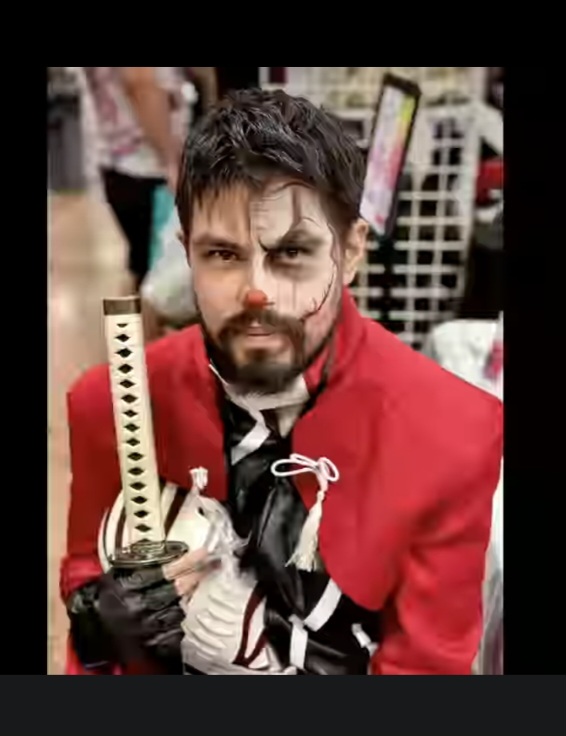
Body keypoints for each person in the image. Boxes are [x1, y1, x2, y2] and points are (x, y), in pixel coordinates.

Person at [60, 89, 503, 676]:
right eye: (223, 254)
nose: (256, 293)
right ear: (187, 253)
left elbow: (425, 667)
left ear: (350, 252)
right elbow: (86, 571)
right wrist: (97, 623)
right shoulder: (112, 402)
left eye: (292, 252)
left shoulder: (454, 435)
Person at [83, 67, 189, 290]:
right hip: (147, 164)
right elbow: (140, 82)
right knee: (163, 281)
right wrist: (169, 161)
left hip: (122, 159)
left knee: (144, 269)